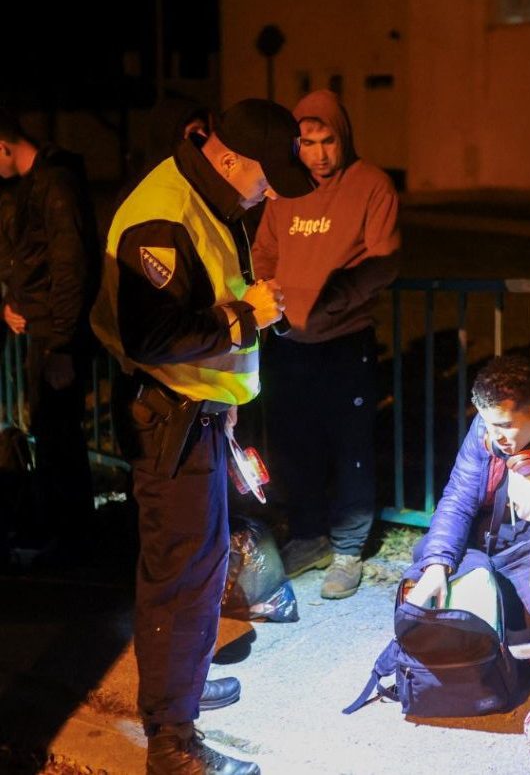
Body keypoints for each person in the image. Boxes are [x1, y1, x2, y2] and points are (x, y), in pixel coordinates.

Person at [91, 98, 314, 775]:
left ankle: (179, 685)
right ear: (228, 157)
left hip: (198, 412)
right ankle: (171, 739)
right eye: (265, 177)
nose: (270, 192)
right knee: (182, 576)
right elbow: (150, 334)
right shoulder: (166, 215)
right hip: (171, 421)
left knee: (199, 565)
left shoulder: (207, 198)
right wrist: (244, 318)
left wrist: (228, 392)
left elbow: (197, 305)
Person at [252, 89, 401, 600]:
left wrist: (331, 303)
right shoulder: (285, 189)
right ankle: (309, 535)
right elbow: (264, 251)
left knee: (351, 447)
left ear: (344, 137)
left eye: (327, 141)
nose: (318, 154)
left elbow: (383, 261)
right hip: (288, 341)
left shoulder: (372, 185)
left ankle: (348, 548)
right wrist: (269, 297)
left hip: (344, 341)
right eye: (308, 143)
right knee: (294, 445)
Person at [405, 355, 530, 669]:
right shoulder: (487, 430)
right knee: (430, 552)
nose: (495, 437)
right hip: (521, 527)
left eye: (505, 426)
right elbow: (458, 498)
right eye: (488, 423)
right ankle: (486, 627)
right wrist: (437, 565)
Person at [0, 107, 99, 561]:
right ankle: (63, 535)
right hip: (46, 328)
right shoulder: (38, 183)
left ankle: (71, 539)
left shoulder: (54, 183)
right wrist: (13, 304)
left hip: (56, 334)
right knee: (52, 431)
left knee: (60, 435)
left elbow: (68, 267)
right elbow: (33, 259)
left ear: (3, 146)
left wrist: (62, 344)